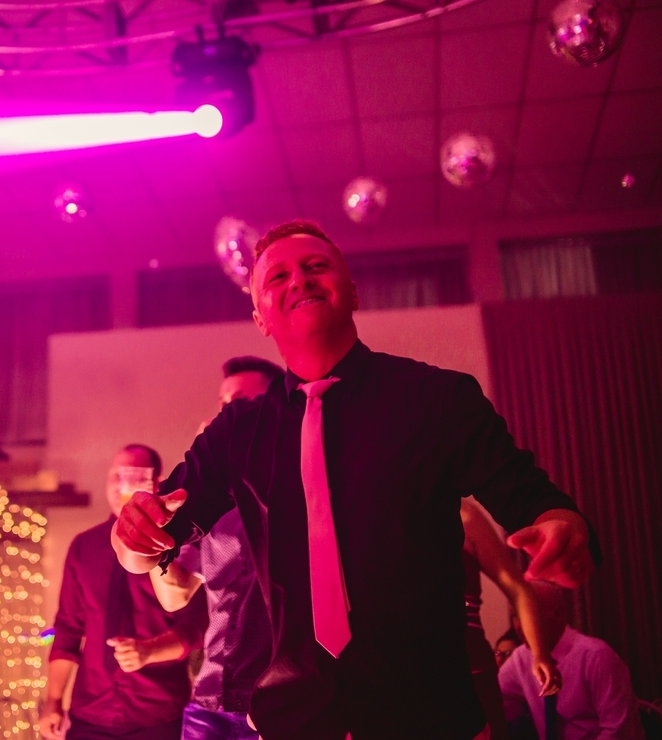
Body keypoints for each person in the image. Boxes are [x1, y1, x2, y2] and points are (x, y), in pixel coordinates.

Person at [113, 219, 598, 740]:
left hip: (431, 715)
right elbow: (158, 535)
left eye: (316, 266)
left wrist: (561, 522)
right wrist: (132, 537)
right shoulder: (238, 430)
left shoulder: (438, 399)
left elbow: (528, 493)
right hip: (295, 718)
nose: (298, 280)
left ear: (352, 290)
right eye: (277, 277)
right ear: (260, 318)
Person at [151, 356, 282, 740]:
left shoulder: (298, 489)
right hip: (211, 699)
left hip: (278, 700)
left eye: (238, 400)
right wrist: (152, 539)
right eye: (222, 403)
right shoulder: (211, 504)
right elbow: (175, 595)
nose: (226, 411)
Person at [39, 444, 207, 740]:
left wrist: (149, 651)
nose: (121, 486)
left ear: (156, 483)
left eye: (133, 477)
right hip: (90, 711)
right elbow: (68, 628)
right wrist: (53, 700)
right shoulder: (84, 546)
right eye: (115, 476)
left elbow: (196, 627)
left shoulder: (183, 543)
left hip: (157, 713)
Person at [460, 498, 561, 740]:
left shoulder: (465, 515)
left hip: (470, 670)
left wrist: (540, 654)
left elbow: (518, 589)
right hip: (410, 672)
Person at [500, 582, 644, 740]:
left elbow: (619, 731)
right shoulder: (521, 659)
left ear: (558, 614)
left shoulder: (595, 657)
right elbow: (494, 699)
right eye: (515, 615)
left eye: (529, 613)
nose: (521, 624)